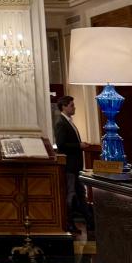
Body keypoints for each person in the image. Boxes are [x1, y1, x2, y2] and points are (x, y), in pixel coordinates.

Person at [53, 94, 89, 231]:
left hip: (76, 166)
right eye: (72, 105)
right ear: (64, 107)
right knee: (71, 194)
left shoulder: (69, 121)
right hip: (69, 166)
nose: (74, 108)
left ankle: (90, 222)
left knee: (80, 193)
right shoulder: (61, 123)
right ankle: (68, 224)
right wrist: (79, 145)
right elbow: (61, 145)